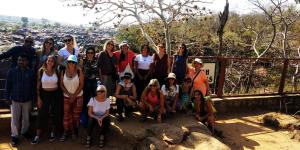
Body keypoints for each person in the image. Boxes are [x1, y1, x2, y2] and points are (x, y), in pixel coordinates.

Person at [4, 55, 35, 147]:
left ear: (27, 62)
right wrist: (7, 97)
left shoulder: (31, 72)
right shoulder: (12, 71)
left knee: (26, 118)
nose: (21, 62)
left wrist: (33, 99)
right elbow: (8, 85)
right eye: (19, 60)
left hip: (27, 99)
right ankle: (14, 136)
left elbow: (33, 86)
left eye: (23, 60)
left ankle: (24, 132)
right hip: (15, 99)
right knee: (15, 119)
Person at [31, 55, 60, 144]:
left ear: (54, 62)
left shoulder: (57, 71)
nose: (50, 62)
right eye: (48, 60)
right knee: (41, 114)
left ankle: (52, 133)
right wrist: (39, 98)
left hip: (55, 94)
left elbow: (59, 83)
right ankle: (37, 135)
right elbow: (38, 85)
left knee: (54, 113)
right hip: (44, 95)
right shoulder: (41, 71)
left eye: (52, 61)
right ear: (46, 61)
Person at [59, 55, 84, 141]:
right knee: (66, 115)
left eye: (73, 62)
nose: (71, 63)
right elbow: (61, 85)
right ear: (67, 62)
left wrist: (73, 95)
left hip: (78, 96)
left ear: (76, 63)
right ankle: (66, 132)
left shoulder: (79, 71)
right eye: (69, 62)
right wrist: (70, 95)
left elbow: (81, 85)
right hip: (67, 97)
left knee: (76, 116)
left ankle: (74, 131)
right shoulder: (63, 71)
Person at [81, 47, 98, 127]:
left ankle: (94, 118)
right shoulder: (83, 61)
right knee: (86, 101)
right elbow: (80, 71)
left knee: (95, 100)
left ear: (94, 54)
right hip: (86, 82)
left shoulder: (96, 61)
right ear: (86, 53)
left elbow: (98, 71)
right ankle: (85, 120)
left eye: (92, 53)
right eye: (88, 52)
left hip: (94, 81)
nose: (90, 54)